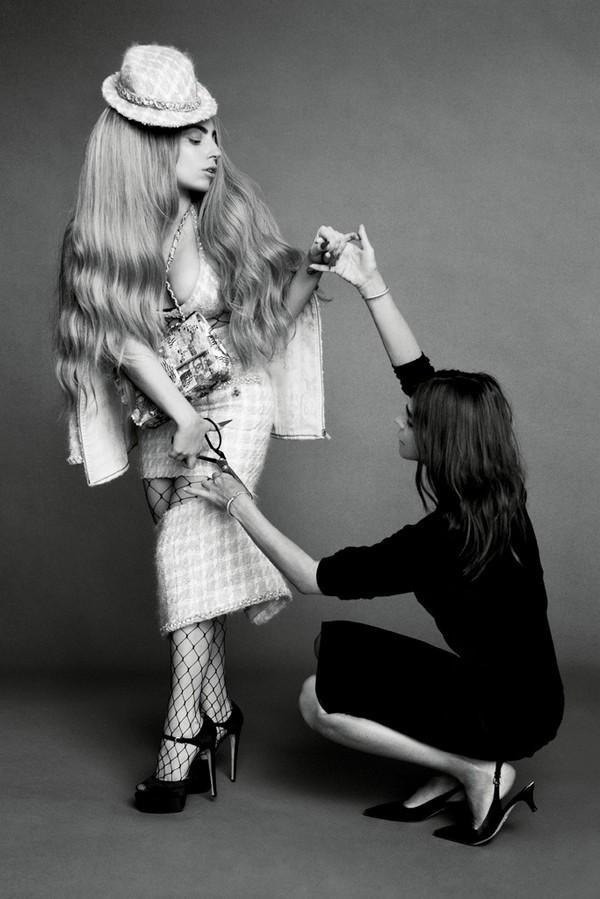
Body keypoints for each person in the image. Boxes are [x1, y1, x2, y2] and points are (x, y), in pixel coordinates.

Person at [193, 224, 564, 846]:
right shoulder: (503, 495)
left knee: (318, 701)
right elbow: (419, 375)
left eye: (410, 420)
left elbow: (310, 578)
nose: (399, 419)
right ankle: (464, 765)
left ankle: (476, 771)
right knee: (342, 654)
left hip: (506, 715)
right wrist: (370, 283)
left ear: (440, 441)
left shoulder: (439, 540)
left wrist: (236, 500)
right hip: (531, 698)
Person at [55, 43, 354, 814]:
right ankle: (219, 711)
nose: (215, 150)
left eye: (214, 133)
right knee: (189, 562)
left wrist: (311, 272)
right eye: (194, 137)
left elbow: (264, 331)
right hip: (166, 411)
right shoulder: (106, 233)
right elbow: (122, 340)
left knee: (184, 547)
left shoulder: (226, 212)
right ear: (151, 147)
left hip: (237, 396)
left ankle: (181, 738)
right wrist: (184, 415)